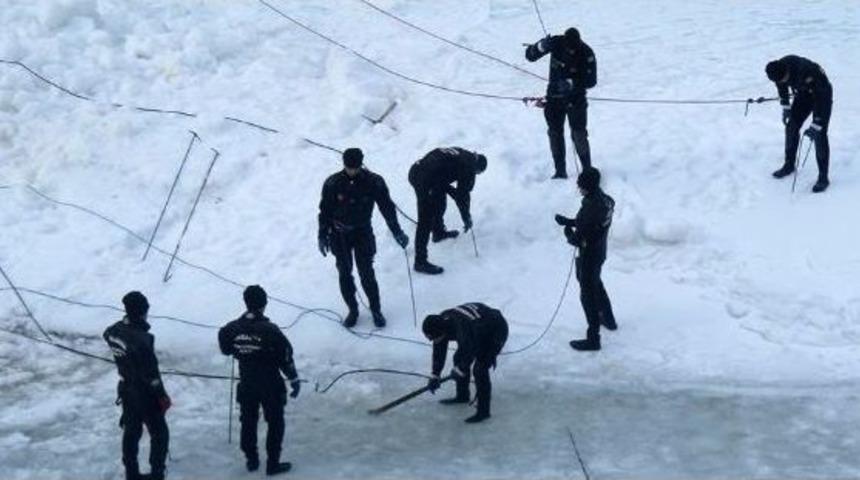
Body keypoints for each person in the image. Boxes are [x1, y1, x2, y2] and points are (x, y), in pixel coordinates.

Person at [318, 148, 409, 328]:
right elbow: (324, 211)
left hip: (362, 231)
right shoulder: (332, 183)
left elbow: (387, 207)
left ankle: (376, 309)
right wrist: (322, 234)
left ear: (361, 164)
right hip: (339, 234)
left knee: (366, 272)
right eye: (349, 167)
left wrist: (397, 231)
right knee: (344, 273)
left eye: (355, 167)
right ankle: (353, 310)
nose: (352, 171)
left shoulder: (374, 182)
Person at [219, 285, 300, 476]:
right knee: (275, 422)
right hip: (270, 384)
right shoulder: (270, 330)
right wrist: (294, 378)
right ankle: (273, 464)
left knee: (248, 421)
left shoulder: (231, 328)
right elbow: (285, 357)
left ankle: (251, 459)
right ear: (264, 304)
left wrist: (242, 349)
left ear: (246, 303)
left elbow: (225, 348)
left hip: (247, 382)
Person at [103, 291, 171, 480]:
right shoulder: (143, 339)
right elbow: (151, 374)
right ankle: (157, 473)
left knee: (132, 431)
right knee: (160, 433)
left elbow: (106, 334)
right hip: (144, 393)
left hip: (127, 388)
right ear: (142, 312)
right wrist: (162, 396)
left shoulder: (113, 331)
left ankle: (131, 473)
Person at [555, 167, 616, 351]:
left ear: (587, 186)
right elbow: (589, 223)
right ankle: (608, 319)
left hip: (589, 256)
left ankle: (593, 339)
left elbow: (581, 238)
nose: (578, 188)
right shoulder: (604, 200)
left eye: (580, 185)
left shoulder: (592, 206)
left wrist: (568, 233)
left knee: (587, 295)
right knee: (596, 284)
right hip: (599, 253)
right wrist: (569, 221)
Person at [525, 27, 597, 179]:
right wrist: (541, 46)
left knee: (579, 134)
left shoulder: (587, 52)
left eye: (574, 49)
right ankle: (560, 171)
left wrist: (572, 83)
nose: (571, 51)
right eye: (569, 48)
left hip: (576, 99)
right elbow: (529, 56)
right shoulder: (556, 42)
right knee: (555, 133)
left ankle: (587, 170)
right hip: (554, 97)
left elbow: (592, 81)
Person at [422, 303, 509, 423]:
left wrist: (461, 369)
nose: (433, 341)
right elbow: (439, 350)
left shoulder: (461, 326)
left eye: (433, 338)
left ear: (441, 332)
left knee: (480, 368)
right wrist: (435, 375)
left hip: (495, 329)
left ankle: (483, 411)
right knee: (458, 359)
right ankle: (462, 396)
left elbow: (471, 350)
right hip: (476, 330)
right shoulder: (441, 323)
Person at [408, 147, 487, 274]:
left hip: (421, 171)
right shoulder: (468, 167)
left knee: (440, 201)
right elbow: (462, 196)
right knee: (425, 220)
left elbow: (445, 181)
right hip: (424, 179)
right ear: (477, 169)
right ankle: (420, 262)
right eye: (477, 173)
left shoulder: (464, 154)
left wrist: (454, 194)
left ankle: (438, 232)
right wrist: (466, 217)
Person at [765, 56, 833, 193]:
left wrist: (817, 123)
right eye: (779, 81)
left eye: (784, 79)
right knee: (791, 127)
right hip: (803, 95)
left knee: (819, 134)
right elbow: (782, 87)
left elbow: (822, 96)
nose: (782, 82)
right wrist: (786, 106)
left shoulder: (807, 70)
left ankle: (823, 177)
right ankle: (789, 165)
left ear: (787, 71)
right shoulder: (778, 70)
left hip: (822, 94)